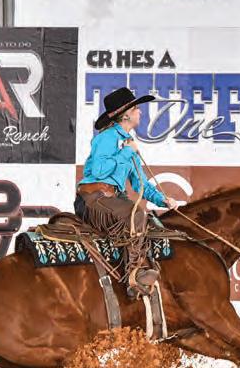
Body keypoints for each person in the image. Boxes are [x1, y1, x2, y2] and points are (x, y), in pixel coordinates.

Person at [75, 87, 179, 297]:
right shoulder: (107, 138)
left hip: (111, 199)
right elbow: (99, 171)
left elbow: (141, 185)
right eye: (137, 108)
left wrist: (163, 200)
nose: (140, 112)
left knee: (148, 223)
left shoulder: (128, 144)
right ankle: (134, 276)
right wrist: (126, 153)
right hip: (93, 198)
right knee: (136, 215)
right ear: (126, 115)